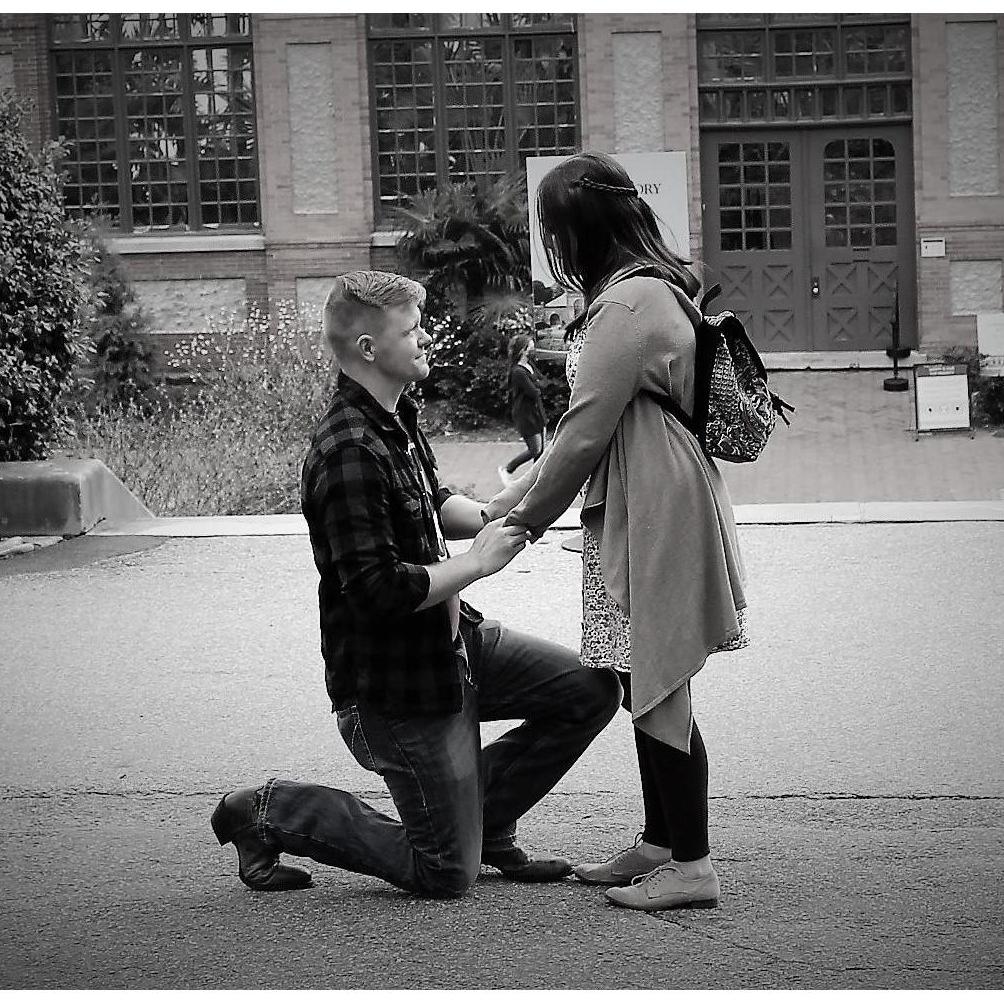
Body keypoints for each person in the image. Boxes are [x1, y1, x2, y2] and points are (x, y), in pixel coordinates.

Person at [211, 270, 621, 898]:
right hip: (395, 686)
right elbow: (377, 590)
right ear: (369, 348)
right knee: (445, 871)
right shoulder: (347, 451)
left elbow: (434, 503)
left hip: (455, 646)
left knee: (589, 690)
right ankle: (266, 812)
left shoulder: (394, 416)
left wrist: (518, 494)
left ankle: (485, 821)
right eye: (412, 330)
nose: (426, 337)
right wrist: (478, 563)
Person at [483, 152, 748, 912]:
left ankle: (691, 865)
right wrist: (506, 502)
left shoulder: (628, 303)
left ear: (579, 230)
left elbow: (580, 434)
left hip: (654, 497)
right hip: (644, 491)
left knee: (658, 676)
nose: (551, 247)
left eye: (553, 231)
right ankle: (661, 843)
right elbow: (584, 431)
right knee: (641, 673)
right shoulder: (642, 287)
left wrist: (518, 521)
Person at [498, 333, 547, 486]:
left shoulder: (529, 366)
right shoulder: (518, 372)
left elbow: (543, 382)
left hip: (537, 412)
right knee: (535, 449)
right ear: (523, 350)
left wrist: (538, 385)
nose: (533, 349)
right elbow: (534, 391)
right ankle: (507, 469)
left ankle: (536, 481)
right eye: (531, 347)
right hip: (525, 415)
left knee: (541, 450)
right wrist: (537, 386)